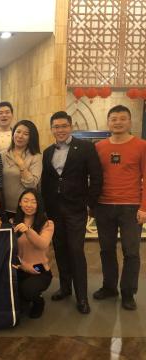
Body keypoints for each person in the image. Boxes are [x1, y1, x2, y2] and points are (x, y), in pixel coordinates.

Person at [42, 111, 102, 315]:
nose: (60, 130)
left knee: (76, 251)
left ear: (70, 127)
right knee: (59, 249)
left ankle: (82, 297)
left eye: (63, 126)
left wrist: (90, 203)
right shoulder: (48, 152)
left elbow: (96, 176)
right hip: (55, 209)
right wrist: (45, 210)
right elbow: (47, 182)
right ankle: (65, 288)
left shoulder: (85, 147)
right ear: (52, 129)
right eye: (56, 126)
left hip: (76, 208)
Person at [94, 105, 146, 311]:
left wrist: (144, 207)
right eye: (113, 118)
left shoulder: (141, 145)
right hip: (103, 206)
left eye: (122, 118)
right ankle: (109, 287)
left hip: (131, 207)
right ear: (108, 122)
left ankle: (128, 292)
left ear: (130, 122)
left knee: (131, 252)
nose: (118, 122)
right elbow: (94, 178)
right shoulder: (98, 147)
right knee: (106, 250)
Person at [12, 189, 54, 319]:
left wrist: (28, 230)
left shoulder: (48, 224)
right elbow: (10, 249)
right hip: (20, 267)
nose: (29, 205)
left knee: (29, 290)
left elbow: (42, 244)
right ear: (20, 203)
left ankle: (38, 301)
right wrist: (23, 266)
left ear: (39, 205)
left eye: (33, 202)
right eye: (25, 201)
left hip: (39, 267)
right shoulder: (13, 222)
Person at [2, 120, 42, 218]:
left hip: (26, 209)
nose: (20, 136)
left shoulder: (35, 157)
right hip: (2, 208)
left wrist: (21, 165)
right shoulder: (3, 154)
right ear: (13, 133)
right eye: (18, 131)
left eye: (25, 134)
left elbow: (32, 184)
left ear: (31, 138)